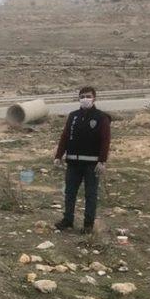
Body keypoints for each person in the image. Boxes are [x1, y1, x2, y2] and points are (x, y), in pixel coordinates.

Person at [54, 86, 110, 234]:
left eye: (88, 96)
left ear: (94, 98)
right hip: (73, 162)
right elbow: (65, 136)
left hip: (92, 164)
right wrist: (58, 155)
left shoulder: (101, 117)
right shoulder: (73, 116)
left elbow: (105, 140)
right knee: (70, 193)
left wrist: (102, 161)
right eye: (82, 96)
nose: (85, 99)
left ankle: (88, 225)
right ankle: (67, 220)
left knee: (90, 194)